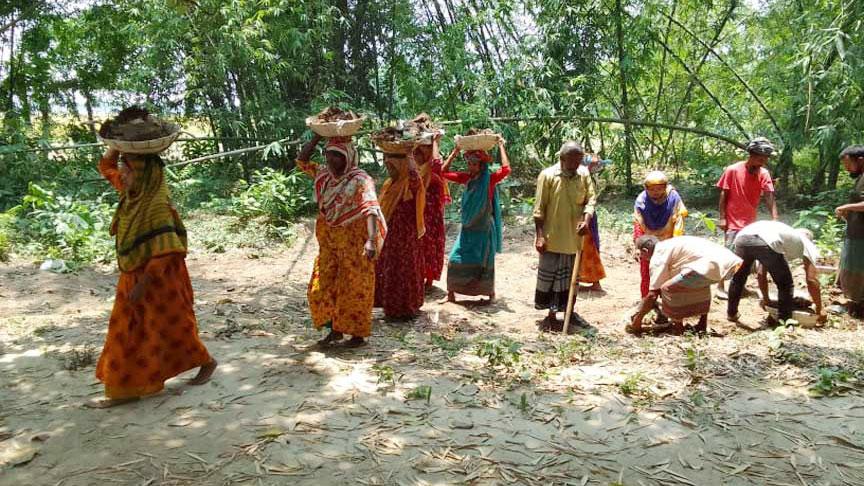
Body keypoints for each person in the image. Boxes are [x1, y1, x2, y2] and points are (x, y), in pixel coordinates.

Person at [93, 136, 216, 408]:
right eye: (124, 168)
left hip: (160, 281)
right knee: (127, 331)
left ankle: (206, 362)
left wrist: (142, 285)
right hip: (133, 276)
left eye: (129, 169)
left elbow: (166, 251)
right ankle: (125, 388)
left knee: (172, 328)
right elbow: (106, 166)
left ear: (144, 175)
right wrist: (117, 144)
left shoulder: (157, 207)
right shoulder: (131, 193)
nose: (122, 174)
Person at [296, 134, 386, 347]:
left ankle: (356, 334)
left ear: (348, 157)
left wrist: (372, 240)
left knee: (355, 289)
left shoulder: (360, 180)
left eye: (337, 155)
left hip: (354, 244)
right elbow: (302, 160)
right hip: (329, 244)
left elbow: (370, 209)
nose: (331, 160)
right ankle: (333, 329)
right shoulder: (324, 176)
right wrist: (316, 136)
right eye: (328, 155)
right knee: (321, 288)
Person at [533, 141, 597, 329]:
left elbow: (590, 199)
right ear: (562, 159)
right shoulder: (547, 176)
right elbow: (539, 209)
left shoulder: (583, 174)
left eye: (579, 161)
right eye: (572, 161)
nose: (576, 165)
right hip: (553, 236)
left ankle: (570, 311)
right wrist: (540, 236)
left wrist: (586, 220)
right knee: (551, 277)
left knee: (572, 278)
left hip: (575, 237)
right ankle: (551, 315)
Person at [441, 136, 511, 303]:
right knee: (455, 259)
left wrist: (501, 145)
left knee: (484, 262)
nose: (471, 167)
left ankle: (489, 294)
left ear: (481, 165)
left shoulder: (490, 180)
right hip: (467, 229)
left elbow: (506, 169)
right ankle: (451, 293)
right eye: (469, 163)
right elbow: (442, 172)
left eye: (474, 164)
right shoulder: (466, 178)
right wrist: (455, 152)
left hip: (483, 229)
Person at [630, 235, 742, 335]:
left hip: (710, 265)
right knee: (699, 283)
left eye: (641, 254)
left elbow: (653, 294)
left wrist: (637, 320)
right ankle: (702, 324)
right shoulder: (669, 245)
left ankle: (678, 327)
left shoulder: (658, 256)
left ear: (645, 250)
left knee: (668, 288)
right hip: (728, 262)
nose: (642, 258)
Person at [715, 137, 779, 298]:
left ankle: (740, 286)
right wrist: (722, 217)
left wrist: (775, 218)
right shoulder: (733, 170)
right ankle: (720, 285)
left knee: (745, 256)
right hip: (732, 219)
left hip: (750, 222)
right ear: (751, 154)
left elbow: (769, 196)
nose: (763, 161)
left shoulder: (764, 173)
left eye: (765, 158)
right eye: (760, 158)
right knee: (728, 252)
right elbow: (724, 193)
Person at [726, 221, 825, 324]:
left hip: (742, 238)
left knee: (738, 278)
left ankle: (731, 313)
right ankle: (784, 321)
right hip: (764, 241)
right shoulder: (806, 242)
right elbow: (811, 279)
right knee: (785, 284)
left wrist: (766, 299)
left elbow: (761, 273)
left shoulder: (783, 235)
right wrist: (819, 308)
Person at [374, 149, 426, 319]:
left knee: (405, 269)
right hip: (390, 235)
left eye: (393, 167)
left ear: (402, 167)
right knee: (390, 268)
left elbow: (415, 176)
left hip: (406, 237)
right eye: (388, 167)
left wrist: (409, 153)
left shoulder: (408, 184)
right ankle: (390, 306)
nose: (390, 171)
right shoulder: (390, 184)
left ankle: (406, 307)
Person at [633, 171, 688, 297]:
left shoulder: (673, 198)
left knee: (669, 273)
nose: (655, 192)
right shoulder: (641, 201)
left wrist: (676, 244)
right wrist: (638, 246)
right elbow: (638, 224)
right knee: (647, 272)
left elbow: (679, 222)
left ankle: (669, 301)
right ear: (646, 189)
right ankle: (647, 300)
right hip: (648, 241)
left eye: (659, 189)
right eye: (652, 189)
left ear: (665, 187)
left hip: (668, 240)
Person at [414, 129, 449, 289]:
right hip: (419, 213)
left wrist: (434, 140)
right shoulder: (415, 171)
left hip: (432, 214)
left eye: (418, 154)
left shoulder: (431, 171)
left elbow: (436, 162)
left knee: (431, 245)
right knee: (420, 245)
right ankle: (419, 275)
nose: (415, 157)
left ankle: (429, 278)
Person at [836, 145, 864, 318]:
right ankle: (855, 303)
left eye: (848, 164)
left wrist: (846, 206)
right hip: (856, 231)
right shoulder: (860, 177)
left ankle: (857, 306)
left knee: (858, 270)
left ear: (860, 160)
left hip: (861, 235)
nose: (846, 169)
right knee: (852, 267)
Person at [577, 154, 609, 291]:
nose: (595, 167)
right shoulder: (578, 177)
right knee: (578, 248)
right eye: (592, 165)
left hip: (587, 216)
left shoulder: (589, 178)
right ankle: (577, 279)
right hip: (577, 215)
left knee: (591, 247)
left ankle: (595, 281)